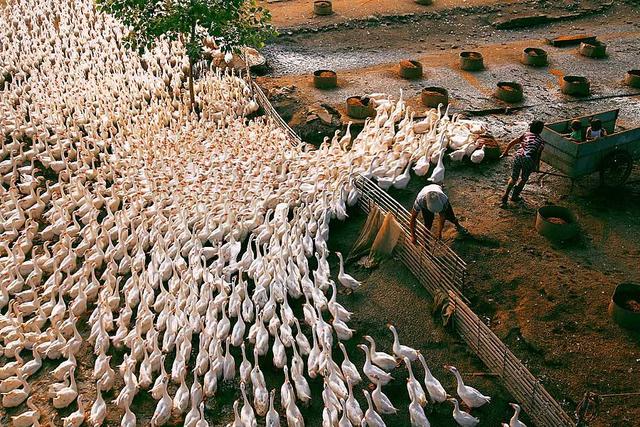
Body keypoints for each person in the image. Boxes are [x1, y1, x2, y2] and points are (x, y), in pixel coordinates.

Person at [500, 120, 546, 204]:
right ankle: (514, 196)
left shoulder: (526, 134)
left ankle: (505, 196)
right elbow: (537, 155)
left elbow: (512, 142)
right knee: (524, 179)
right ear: (541, 130)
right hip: (528, 159)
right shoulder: (541, 141)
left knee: (514, 178)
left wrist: (506, 152)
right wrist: (536, 167)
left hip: (518, 156)